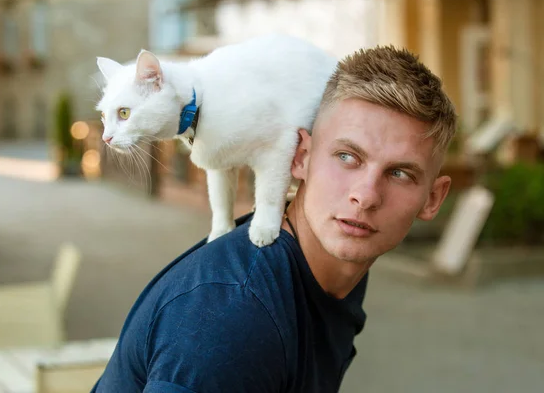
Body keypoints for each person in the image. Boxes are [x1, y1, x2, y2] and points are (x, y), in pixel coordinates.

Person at [91, 45, 457, 393]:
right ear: (299, 157)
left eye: (400, 174)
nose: (366, 195)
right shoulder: (231, 317)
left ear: (433, 199)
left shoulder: (336, 274)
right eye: (347, 157)